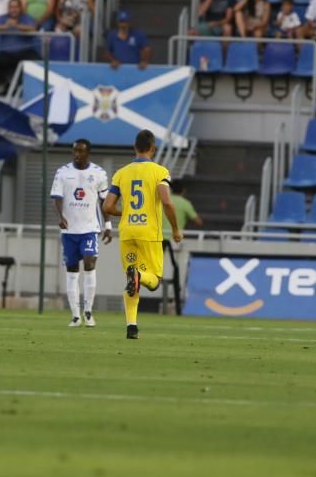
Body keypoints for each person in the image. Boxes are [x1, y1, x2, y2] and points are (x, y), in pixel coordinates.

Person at [101, 130, 182, 340]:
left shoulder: (121, 173)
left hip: (127, 232)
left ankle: (131, 327)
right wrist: (175, 229)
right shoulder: (160, 171)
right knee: (153, 280)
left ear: (134, 148)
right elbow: (166, 201)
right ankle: (137, 276)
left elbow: (107, 206)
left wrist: (125, 212)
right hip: (148, 233)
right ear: (153, 148)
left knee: (131, 281)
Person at [51, 139, 111, 328]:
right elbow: (57, 197)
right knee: (72, 270)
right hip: (69, 231)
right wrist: (60, 216)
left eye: (81, 151)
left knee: (89, 262)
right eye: (75, 150)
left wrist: (108, 225)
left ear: (88, 153)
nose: (77, 154)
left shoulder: (99, 173)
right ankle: (75, 316)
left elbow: (104, 201)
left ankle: (88, 311)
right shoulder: (63, 172)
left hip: (89, 229)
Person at [161, 179, 202, 315]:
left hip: (157, 239)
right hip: (175, 241)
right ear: (183, 190)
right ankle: (173, 301)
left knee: (158, 269)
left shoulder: (162, 201)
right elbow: (197, 221)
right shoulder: (185, 203)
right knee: (176, 271)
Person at [0, 0, 38, 90]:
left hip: (25, 51)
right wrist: (5, 26)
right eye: (11, 7)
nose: (14, 9)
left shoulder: (26, 17)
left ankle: (29, 88)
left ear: (20, 8)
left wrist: (17, 25)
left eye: (16, 7)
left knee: (39, 63)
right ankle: (7, 84)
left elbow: (32, 28)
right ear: (8, 9)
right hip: (7, 53)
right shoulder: (3, 18)